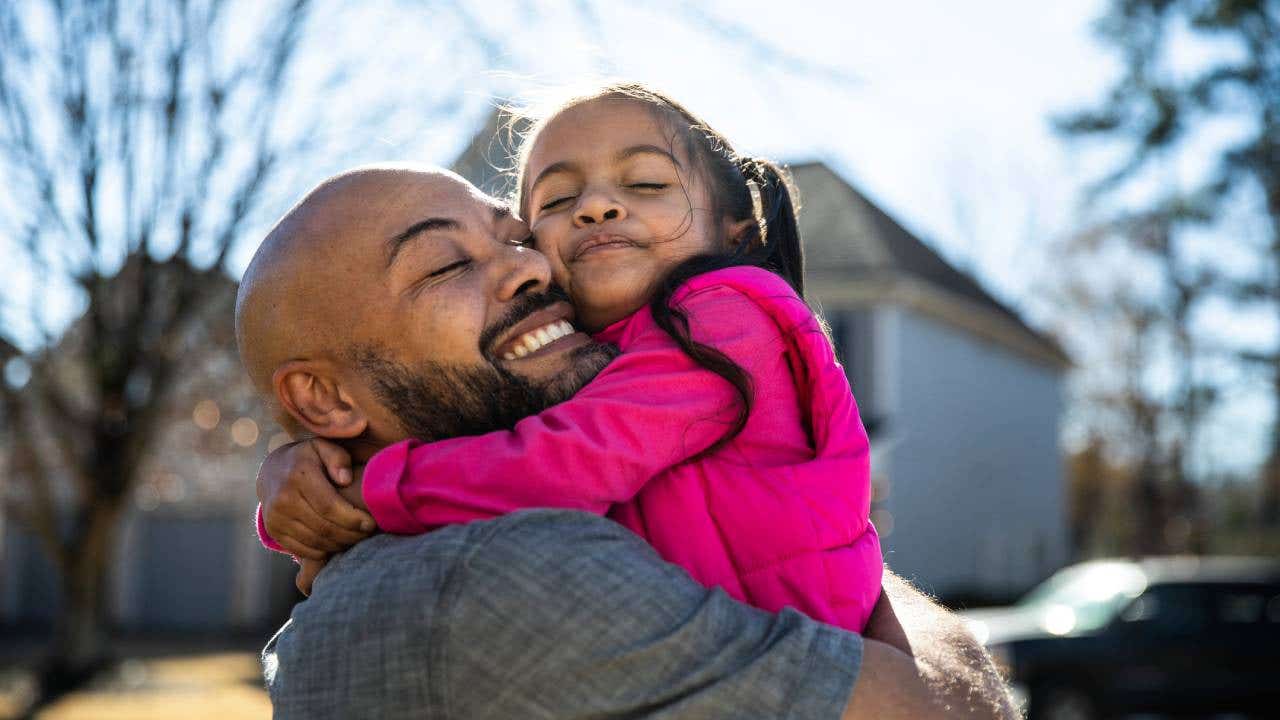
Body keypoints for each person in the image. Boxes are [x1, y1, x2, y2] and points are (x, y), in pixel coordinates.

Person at [237, 165, 1015, 718]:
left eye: (513, 237)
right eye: (445, 264)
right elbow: (958, 710)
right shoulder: (512, 571)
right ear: (325, 399)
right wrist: (834, 533)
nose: (532, 266)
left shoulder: (390, 573)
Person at [259, 83, 881, 632]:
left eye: (646, 184)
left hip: (800, 656)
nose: (596, 206)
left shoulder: (727, 317)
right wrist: (304, 472)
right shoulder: (595, 356)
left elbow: (566, 458)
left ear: (735, 235)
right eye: (555, 203)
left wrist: (371, 492)